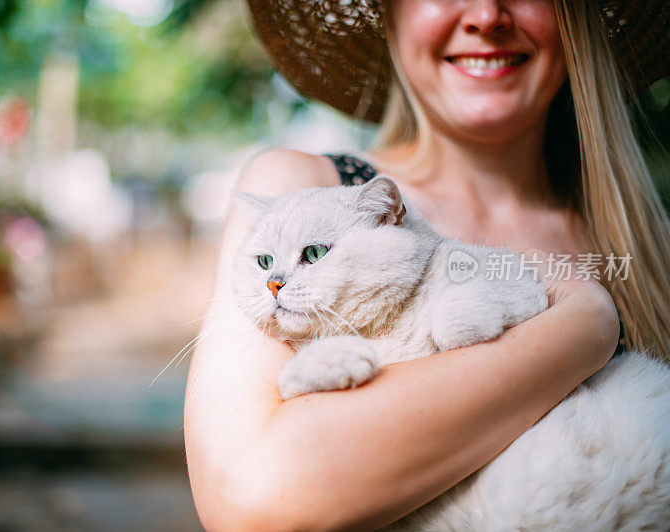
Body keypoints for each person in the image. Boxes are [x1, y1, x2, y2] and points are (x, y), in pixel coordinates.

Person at [184, 1, 670, 529]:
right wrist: (586, 326)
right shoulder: (298, 186)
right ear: (388, 15)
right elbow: (254, 500)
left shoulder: (647, 241)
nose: (486, 14)